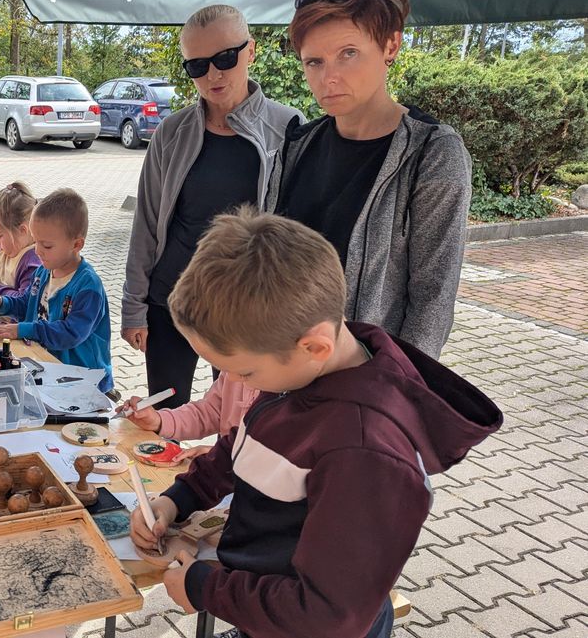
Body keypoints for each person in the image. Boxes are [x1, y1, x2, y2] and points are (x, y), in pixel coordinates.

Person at [129, 207, 501, 638]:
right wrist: (179, 498)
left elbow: (329, 617)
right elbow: (244, 446)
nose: (230, 382)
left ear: (314, 346)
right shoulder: (302, 369)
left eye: (244, 372)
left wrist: (204, 586)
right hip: (266, 610)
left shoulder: (364, 453)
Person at [122, 5, 305, 411]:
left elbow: (295, 232)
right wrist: (133, 306)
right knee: (164, 417)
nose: (213, 75)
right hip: (170, 301)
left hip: (247, 308)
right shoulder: (171, 132)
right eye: (198, 66)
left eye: (226, 58)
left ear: (251, 51)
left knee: (238, 422)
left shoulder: (288, 128)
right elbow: (147, 222)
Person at [266, 0, 471, 359]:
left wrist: (395, 390)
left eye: (348, 53)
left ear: (390, 45)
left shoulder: (431, 154)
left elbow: (432, 299)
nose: (329, 77)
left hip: (367, 385)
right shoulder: (297, 147)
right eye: (314, 61)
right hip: (284, 373)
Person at [0, 189, 113, 393]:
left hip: (84, 382)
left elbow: (70, 333)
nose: (37, 251)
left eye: (47, 246)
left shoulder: (88, 287)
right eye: (36, 241)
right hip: (49, 369)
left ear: (76, 244)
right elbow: (28, 303)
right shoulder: (44, 271)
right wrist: (3, 302)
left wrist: (23, 329)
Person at [118, 371, 259, 462]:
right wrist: (158, 421)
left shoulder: (279, 394)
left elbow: (272, 461)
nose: (231, 375)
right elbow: (209, 412)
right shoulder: (233, 371)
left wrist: (224, 455)